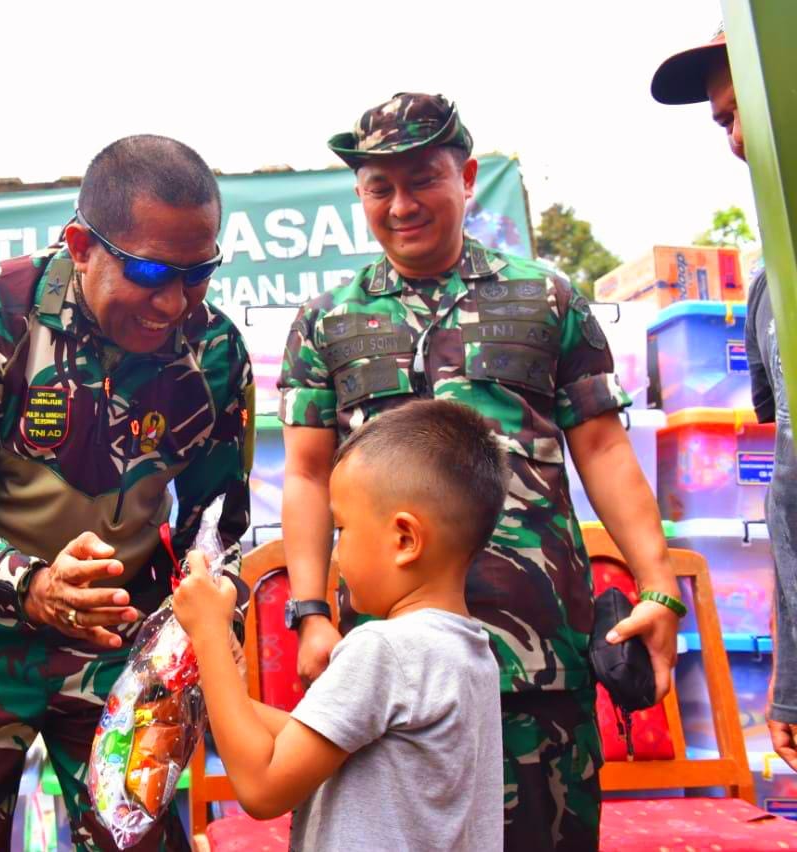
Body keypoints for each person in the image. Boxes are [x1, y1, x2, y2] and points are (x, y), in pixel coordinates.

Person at [278, 93, 682, 850]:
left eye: (423, 180)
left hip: (539, 663)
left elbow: (602, 449)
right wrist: (311, 613)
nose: (401, 205)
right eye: (378, 187)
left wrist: (657, 586)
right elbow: (305, 473)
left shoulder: (547, 297)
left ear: (465, 178)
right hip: (390, 671)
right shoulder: (328, 320)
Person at [0, 134, 253, 852]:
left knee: (133, 836)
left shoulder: (215, 353)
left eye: (199, 273)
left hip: (121, 633)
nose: (173, 302)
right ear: (81, 245)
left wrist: (199, 625)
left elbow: (216, 523)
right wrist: (34, 585)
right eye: (150, 272)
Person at [175, 400, 506, 851]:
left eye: (342, 530)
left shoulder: (383, 650)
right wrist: (225, 686)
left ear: (405, 539)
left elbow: (262, 788)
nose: (336, 552)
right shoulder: (470, 649)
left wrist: (210, 634)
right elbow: (321, 736)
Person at [651, 22, 797, 771]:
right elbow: (789, 494)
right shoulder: (771, 286)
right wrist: (790, 682)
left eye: (750, 108)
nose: (738, 136)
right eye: (726, 119)